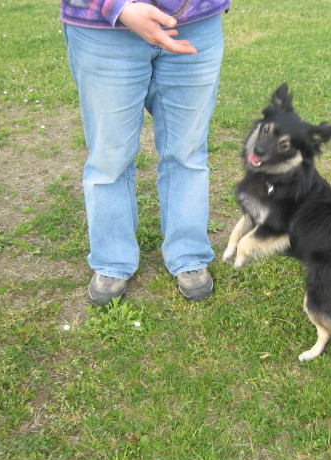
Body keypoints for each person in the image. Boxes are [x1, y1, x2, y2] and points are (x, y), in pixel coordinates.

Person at [60, 0, 230, 304]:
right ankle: (112, 259)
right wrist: (117, 8)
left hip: (194, 23)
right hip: (103, 31)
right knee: (109, 158)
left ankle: (188, 253)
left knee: (187, 152)